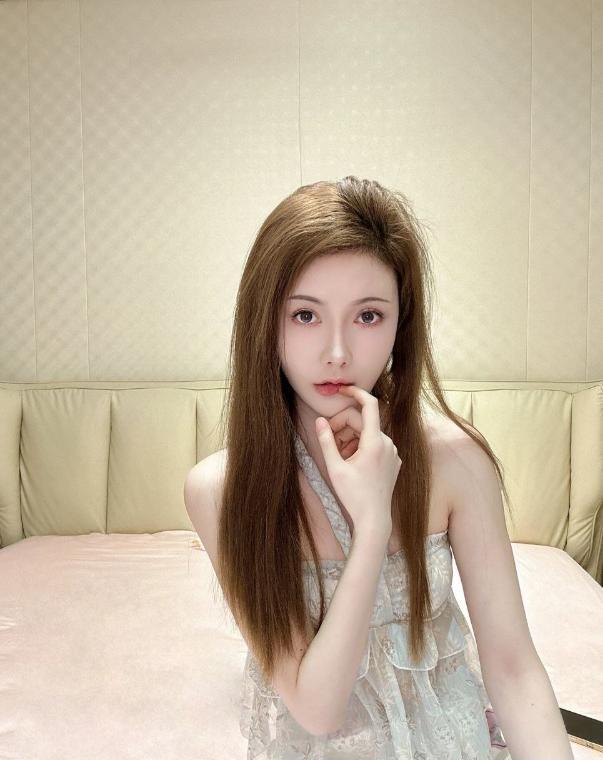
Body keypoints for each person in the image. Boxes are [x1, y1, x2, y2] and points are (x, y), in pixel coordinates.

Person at [185, 176, 574, 759]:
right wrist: (371, 527)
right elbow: (317, 709)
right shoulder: (221, 490)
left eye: (367, 316)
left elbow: (514, 669)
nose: (337, 352)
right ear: (264, 322)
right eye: (305, 315)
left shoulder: (456, 461)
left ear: (400, 324)